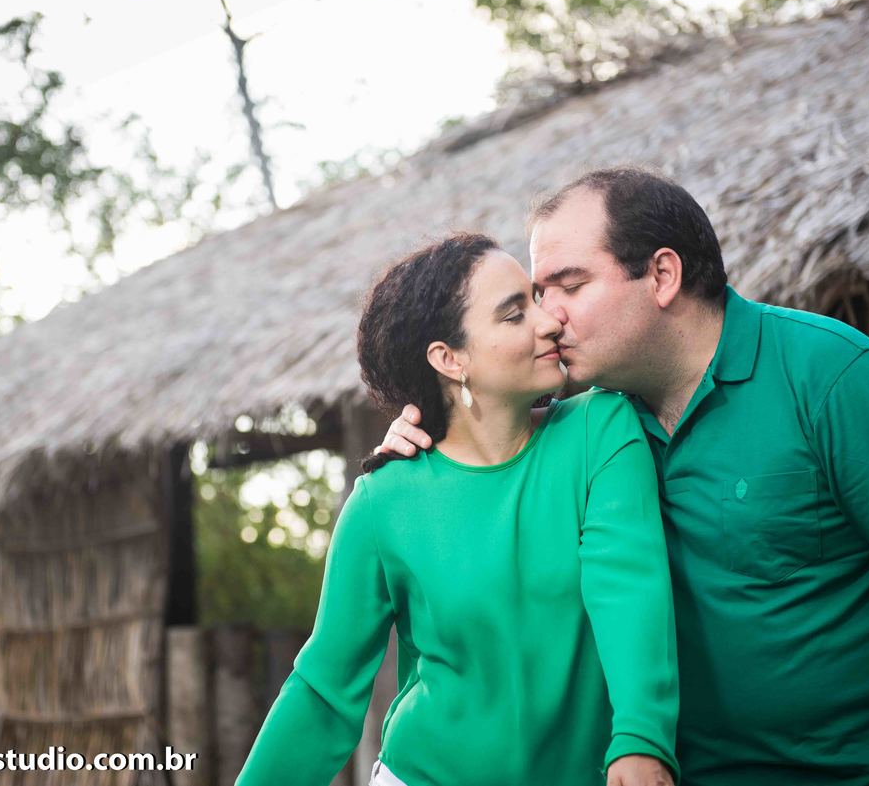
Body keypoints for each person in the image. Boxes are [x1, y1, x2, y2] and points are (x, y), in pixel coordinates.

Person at [378, 168, 869, 786]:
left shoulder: (835, 377)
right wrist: (421, 458)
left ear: (662, 275)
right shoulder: (578, 432)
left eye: (569, 286)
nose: (546, 319)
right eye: (534, 293)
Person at [236, 233, 679, 786]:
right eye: (514, 314)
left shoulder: (601, 430)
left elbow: (629, 583)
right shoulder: (382, 501)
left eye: (536, 300)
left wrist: (641, 738)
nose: (548, 322)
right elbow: (324, 689)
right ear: (450, 359)